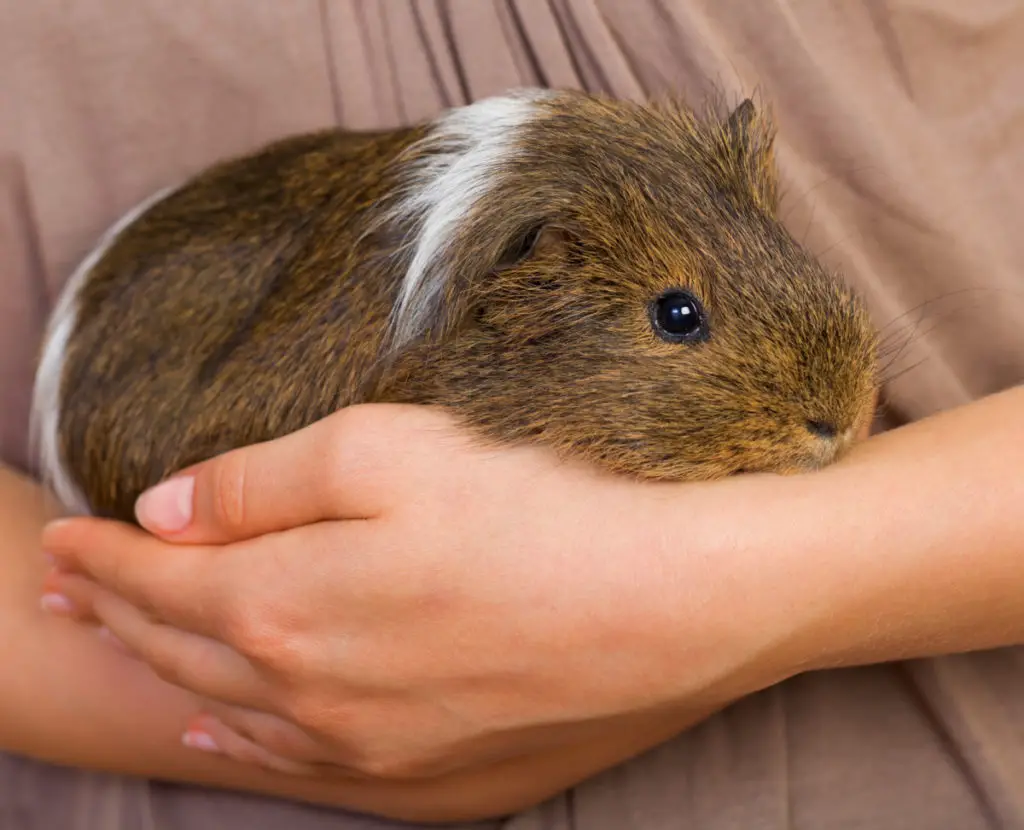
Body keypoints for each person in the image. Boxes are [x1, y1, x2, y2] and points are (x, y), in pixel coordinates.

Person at [2, 1, 1022, 828]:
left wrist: (733, 590)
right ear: (534, 271)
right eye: (677, 316)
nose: (831, 409)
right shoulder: (464, 297)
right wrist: (273, 692)